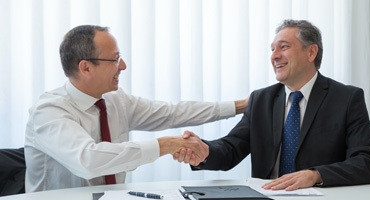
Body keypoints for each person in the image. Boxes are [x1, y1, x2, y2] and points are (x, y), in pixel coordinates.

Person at [24, 25, 248, 192]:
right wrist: (166, 145)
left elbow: (171, 113)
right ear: (86, 68)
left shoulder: (115, 100)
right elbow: (88, 160)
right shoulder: (48, 111)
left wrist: (242, 106)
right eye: (115, 59)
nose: (123, 66)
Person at [175, 19, 370, 191]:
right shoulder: (261, 99)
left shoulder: (346, 98)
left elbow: (368, 163)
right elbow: (231, 149)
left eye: (284, 47)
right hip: (267, 195)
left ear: (311, 53)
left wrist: (316, 175)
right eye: (273, 49)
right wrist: (202, 150)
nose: (274, 56)